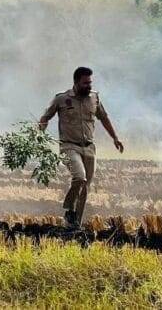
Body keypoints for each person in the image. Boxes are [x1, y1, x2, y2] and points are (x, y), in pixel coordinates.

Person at [39, 67, 124, 227]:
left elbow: (104, 118)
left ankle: (75, 224)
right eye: (85, 83)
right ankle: (69, 209)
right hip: (69, 146)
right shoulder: (61, 99)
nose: (89, 86)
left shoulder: (94, 98)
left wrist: (115, 138)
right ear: (76, 82)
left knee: (85, 187)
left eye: (90, 83)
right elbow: (45, 117)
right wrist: (39, 135)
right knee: (79, 177)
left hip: (89, 148)